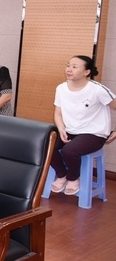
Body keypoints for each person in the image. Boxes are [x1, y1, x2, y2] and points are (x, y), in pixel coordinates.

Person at [49, 55, 116, 195]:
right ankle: (62, 175)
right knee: (45, 145)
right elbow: (58, 113)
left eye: (74, 67)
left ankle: (73, 178)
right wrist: (61, 129)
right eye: (68, 65)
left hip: (94, 134)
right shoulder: (61, 88)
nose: (69, 69)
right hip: (70, 130)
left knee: (69, 151)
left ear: (86, 72)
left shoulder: (97, 90)